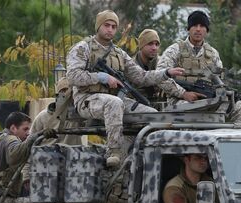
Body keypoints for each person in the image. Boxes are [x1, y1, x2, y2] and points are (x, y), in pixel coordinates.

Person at [66, 10, 186, 167]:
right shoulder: (83, 48)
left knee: (154, 116)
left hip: (117, 99)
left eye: (114, 26)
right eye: (106, 25)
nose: (110, 29)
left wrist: (165, 73)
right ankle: (113, 151)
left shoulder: (119, 53)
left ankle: (149, 156)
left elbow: (141, 77)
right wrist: (102, 77)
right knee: (114, 103)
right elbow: (73, 76)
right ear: (98, 27)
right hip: (87, 100)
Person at [157, 10, 241, 122]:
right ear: (188, 29)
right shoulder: (175, 50)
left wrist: (226, 93)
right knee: (193, 107)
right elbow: (159, 77)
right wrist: (183, 93)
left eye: (202, 26)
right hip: (180, 101)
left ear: (206, 30)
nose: (198, 29)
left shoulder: (213, 54)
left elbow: (220, 81)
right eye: (195, 25)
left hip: (209, 100)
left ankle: (230, 138)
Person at [29, 77, 82, 146]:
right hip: (48, 155)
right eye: (63, 90)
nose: (68, 94)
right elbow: (30, 140)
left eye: (72, 91)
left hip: (73, 155)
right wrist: (42, 133)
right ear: (58, 94)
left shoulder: (80, 115)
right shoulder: (43, 116)